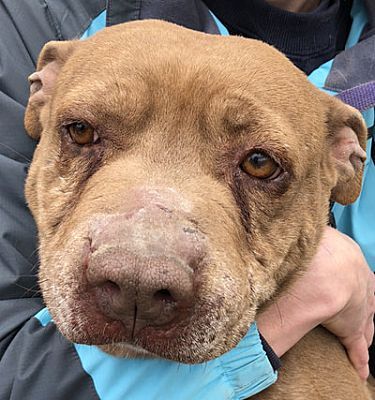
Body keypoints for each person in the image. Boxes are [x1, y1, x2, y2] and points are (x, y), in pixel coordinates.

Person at [0, 0, 374, 398]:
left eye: (259, 164)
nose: (140, 271)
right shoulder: (34, 18)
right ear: (42, 94)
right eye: (83, 132)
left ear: (345, 156)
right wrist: (307, 292)